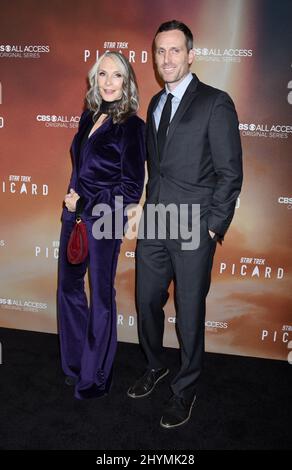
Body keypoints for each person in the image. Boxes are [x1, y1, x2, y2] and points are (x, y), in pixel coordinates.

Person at [128, 20, 243, 428]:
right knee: (146, 303)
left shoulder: (216, 102)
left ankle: (186, 388)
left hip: (195, 227)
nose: (167, 58)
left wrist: (213, 227)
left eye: (175, 50)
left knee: (189, 312)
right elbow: (154, 170)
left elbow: (230, 173)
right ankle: (155, 366)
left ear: (191, 54)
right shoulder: (154, 104)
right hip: (156, 222)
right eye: (160, 52)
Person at [57, 51, 145, 400]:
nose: (109, 82)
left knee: (101, 298)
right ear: (95, 79)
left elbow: (131, 188)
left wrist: (88, 204)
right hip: (72, 217)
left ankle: (96, 377)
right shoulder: (87, 117)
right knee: (68, 289)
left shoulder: (132, 128)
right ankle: (76, 364)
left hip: (103, 221)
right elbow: (79, 169)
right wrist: (72, 206)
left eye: (117, 76)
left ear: (128, 83)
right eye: (103, 74)